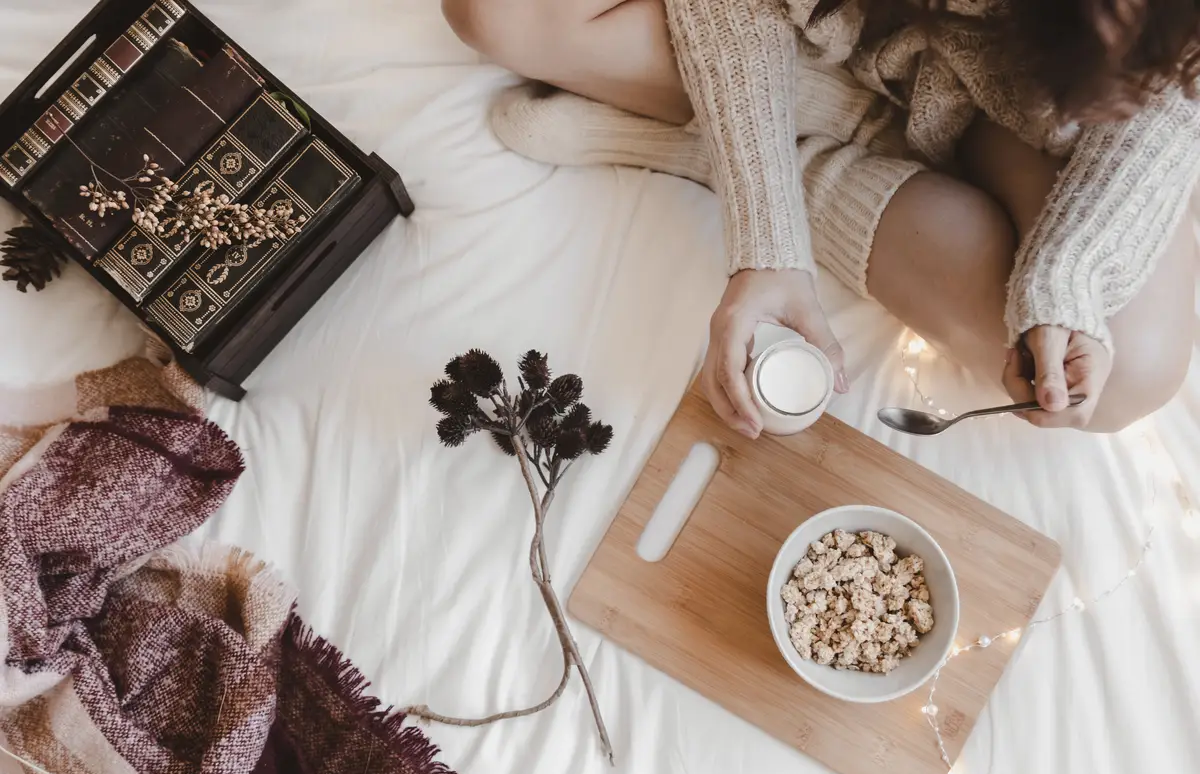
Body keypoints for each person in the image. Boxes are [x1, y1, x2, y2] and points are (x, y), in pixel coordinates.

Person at [442, 0, 1200, 435]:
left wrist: (1064, 279)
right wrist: (766, 237)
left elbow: (1171, 98)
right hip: (808, 27)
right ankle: (785, 124)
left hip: (1018, 110)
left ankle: (709, 145)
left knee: (1119, 371)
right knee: (497, 10)